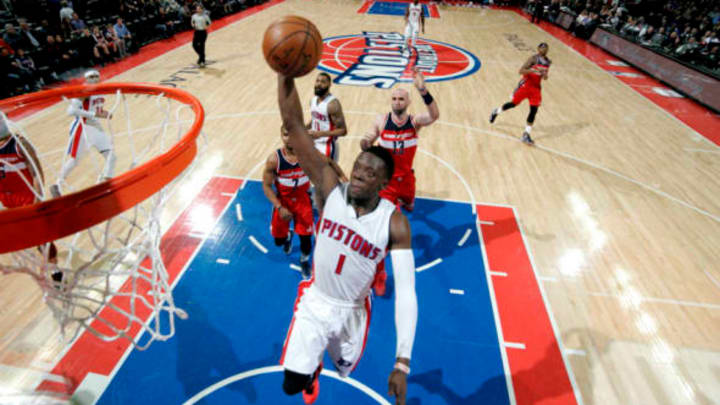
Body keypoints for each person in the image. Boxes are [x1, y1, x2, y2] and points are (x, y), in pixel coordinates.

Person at [277, 73, 418, 405]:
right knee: (291, 383)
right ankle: (310, 374)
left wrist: (402, 361)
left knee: (345, 368)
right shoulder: (331, 189)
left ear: (384, 184)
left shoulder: (394, 223)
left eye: (369, 173)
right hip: (316, 299)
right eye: (357, 168)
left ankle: (322, 363)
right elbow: (296, 128)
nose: (358, 175)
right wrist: (284, 77)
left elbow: (408, 293)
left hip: (351, 310)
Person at [359, 68, 438, 297]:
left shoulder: (415, 121)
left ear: (408, 101)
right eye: (394, 98)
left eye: (401, 98)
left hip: (408, 180)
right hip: (388, 185)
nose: (397, 101)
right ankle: (380, 273)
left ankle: (408, 204)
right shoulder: (382, 121)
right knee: (385, 231)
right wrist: (365, 142)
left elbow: (434, 115)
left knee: (411, 205)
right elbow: (368, 135)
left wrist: (423, 89)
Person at [263, 125, 347, 279]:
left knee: (306, 242)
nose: (289, 139)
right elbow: (266, 185)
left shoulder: (308, 155)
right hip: (283, 203)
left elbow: (329, 162)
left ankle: (304, 261)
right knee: (278, 242)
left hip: (303, 202)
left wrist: (343, 179)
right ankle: (287, 236)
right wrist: (279, 206)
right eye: (286, 135)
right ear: (281, 136)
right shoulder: (274, 160)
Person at [0, 115, 60, 280]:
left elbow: (36, 173)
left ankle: (56, 271)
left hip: (26, 198)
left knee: (41, 237)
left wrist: (37, 199)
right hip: (6, 198)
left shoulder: (19, 143)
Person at [50, 70, 116, 197]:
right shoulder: (84, 91)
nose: (95, 78)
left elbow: (96, 110)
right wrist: (94, 114)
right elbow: (71, 111)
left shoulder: (100, 92)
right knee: (75, 160)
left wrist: (105, 114)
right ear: (86, 79)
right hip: (82, 127)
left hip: (95, 127)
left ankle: (106, 184)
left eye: (96, 76)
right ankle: (56, 184)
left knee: (112, 157)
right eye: (91, 77)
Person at [489, 42, 551, 145]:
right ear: (538, 49)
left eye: (546, 48)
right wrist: (532, 70)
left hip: (536, 88)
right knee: (513, 104)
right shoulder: (533, 59)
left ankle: (526, 134)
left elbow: (545, 77)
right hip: (526, 85)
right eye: (542, 48)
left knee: (534, 111)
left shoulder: (548, 62)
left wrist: (545, 75)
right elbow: (521, 71)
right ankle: (496, 111)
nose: (544, 50)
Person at [308, 72, 347, 162]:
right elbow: (314, 120)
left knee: (328, 175)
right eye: (317, 81)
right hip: (313, 143)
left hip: (327, 146)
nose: (319, 84)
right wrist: (302, 128)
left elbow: (343, 131)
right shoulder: (312, 101)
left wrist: (320, 134)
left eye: (323, 82)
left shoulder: (333, 104)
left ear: (329, 85)